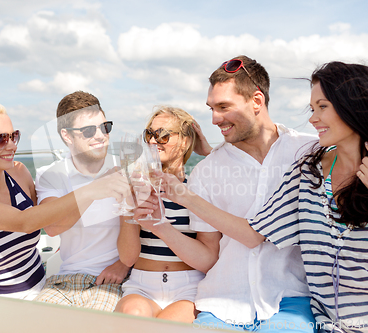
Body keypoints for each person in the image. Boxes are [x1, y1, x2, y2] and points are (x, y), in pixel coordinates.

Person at [158, 62, 368, 332]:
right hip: (323, 323)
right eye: (313, 108)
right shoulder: (309, 170)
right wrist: (194, 178)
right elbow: (253, 233)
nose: (313, 118)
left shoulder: (309, 153)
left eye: (322, 107)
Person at [136, 56, 318, 331]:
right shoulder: (207, 170)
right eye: (211, 108)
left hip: (290, 300)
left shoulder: (307, 152)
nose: (214, 119)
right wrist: (158, 225)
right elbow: (209, 257)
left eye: (223, 107)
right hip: (221, 303)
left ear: (257, 101)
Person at [0, 100, 130, 300]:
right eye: (1, 139)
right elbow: (25, 222)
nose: (11, 145)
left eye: (14, 136)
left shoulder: (19, 174)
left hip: (41, 289)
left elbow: (49, 220)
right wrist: (93, 189)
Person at [33, 91, 130, 311]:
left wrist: (123, 265)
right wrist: (93, 190)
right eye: (88, 130)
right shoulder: (50, 175)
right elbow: (53, 227)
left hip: (111, 280)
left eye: (105, 127)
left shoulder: (126, 169)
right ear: (67, 136)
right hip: (64, 280)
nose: (100, 136)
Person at [114, 106, 206, 323]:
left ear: (184, 142)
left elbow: (208, 256)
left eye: (162, 135)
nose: (153, 141)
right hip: (143, 284)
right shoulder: (137, 188)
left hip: (189, 285)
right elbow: (128, 258)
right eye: (149, 134)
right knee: (132, 317)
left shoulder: (198, 188)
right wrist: (129, 210)